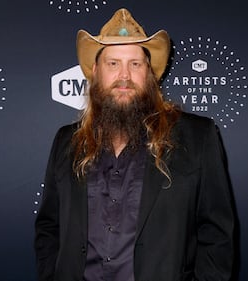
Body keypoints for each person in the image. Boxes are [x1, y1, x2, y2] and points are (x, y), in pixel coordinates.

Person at [35, 8, 236, 281]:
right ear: (95, 71)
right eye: (113, 63)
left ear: (150, 75)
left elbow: (217, 235)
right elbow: (49, 227)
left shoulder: (197, 137)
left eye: (135, 64)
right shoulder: (66, 142)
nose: (125, 76)